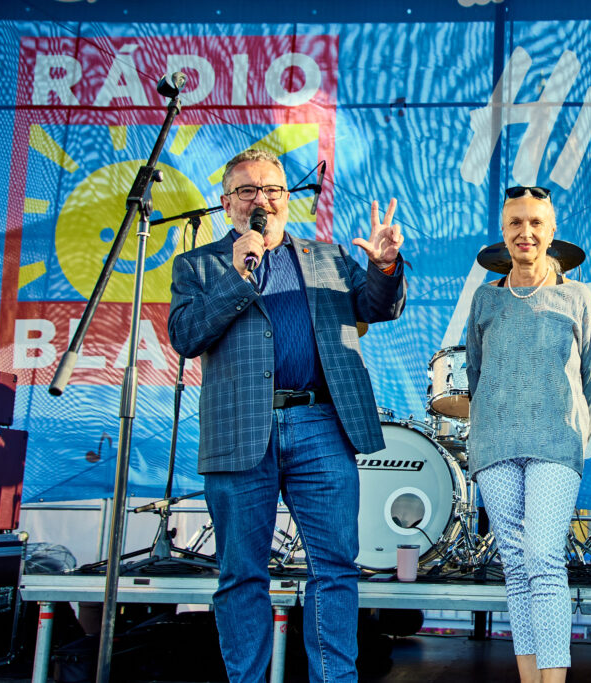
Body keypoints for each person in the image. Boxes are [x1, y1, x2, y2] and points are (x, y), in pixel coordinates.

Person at [168, 149, 406, 683]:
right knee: (241, 575)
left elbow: (379, 307)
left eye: (273, 190)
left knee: (335, 568)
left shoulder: (328, 257)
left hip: (320, 424)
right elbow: (186, 336)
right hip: (239, 429)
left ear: (287, 199)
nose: (262, 200)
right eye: (248, 191)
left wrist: (384, 267)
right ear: (227, 203)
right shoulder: (199, 265)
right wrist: (237, 275)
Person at [465, 186, 591, 683]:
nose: (525, 232)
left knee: (543, 557)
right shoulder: (485, 298)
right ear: (504, 233)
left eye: (536, 223)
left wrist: (576, 436)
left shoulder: (576, 296)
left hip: (555, 445)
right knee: (516, 566)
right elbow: (475, 373)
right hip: (494, 446)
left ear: (551, 231)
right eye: (515, 223)